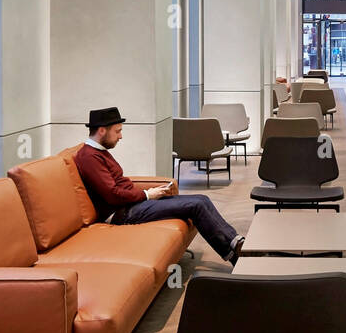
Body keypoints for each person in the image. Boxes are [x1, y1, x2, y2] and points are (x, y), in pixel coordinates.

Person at [73, 106, 244, 264]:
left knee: (202, 198)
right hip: (121, 213)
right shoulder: (89, 157)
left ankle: (235, 243)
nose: (120, 136)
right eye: (117, 131)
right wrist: (147, 195)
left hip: (131, 205)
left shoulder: (99, 152)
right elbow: (112, 193)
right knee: (197, 205)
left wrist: (148, 192)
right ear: (102, 130)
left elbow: (117, 188)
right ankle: (236, 253)